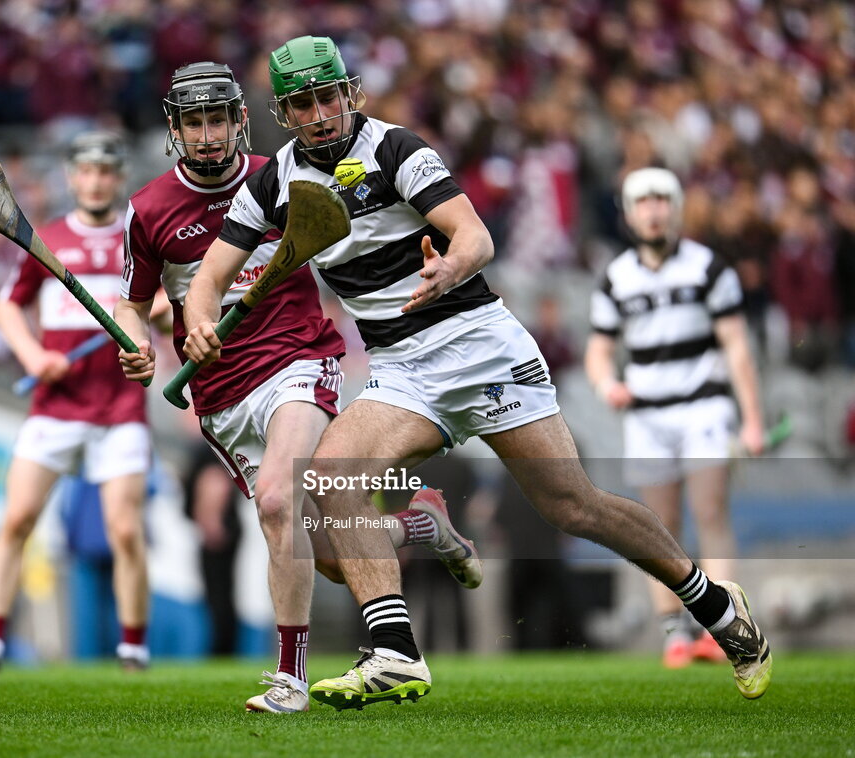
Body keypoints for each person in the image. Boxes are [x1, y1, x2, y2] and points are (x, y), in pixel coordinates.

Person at [181, 36, 773, 709]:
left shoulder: (395, 149)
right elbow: (210, 279)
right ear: (284, 113)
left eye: (328, 97)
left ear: (350, 94)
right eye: (303, 103)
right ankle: (397, 655)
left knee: (573, 505)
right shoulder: (275, 181)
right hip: (402, 368)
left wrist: (448, 270)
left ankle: (718, 607)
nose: (320, 113)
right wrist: (201, 319)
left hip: (478, 346)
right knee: (331, 477)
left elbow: (476, 237)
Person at [115, 61, 481, 713]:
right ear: (176, 128)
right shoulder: (147, 211)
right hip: (221, 396)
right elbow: (133, 303)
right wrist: (140, 342)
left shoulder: (282, 178)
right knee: (330, 549)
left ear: (238, 120)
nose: (207, 135)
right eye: (194, 122)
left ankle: (289, 679)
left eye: (218, 119)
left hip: (299, 360)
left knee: (279, 501)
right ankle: (419, 527)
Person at [0, 132, 153, 673]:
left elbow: (167, 308)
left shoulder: (139, 239)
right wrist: (36, 358)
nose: (96, 180)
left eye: (106, 171)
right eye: (86, 170)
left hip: (120, 407)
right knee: (15, 519)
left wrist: (148, 322)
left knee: (126, 531)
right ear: (71, 176)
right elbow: (6, 309)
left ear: (118, 177)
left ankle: (133, 647)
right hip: (55, 404)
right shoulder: (49, 238)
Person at [584, 167, 766, 668]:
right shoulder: (616, 276)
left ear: (678, 207)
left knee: (710, 512)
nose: (654, 209)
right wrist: (607, 385)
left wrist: (751, 419)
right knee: (657, 527)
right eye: (643, 201)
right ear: (627, 212)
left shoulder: (709, 268)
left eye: (663, 199)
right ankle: (673, 633)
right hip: (647, 415)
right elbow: (598, 351)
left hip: (705, 406)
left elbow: (737, 347)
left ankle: (725, 627)